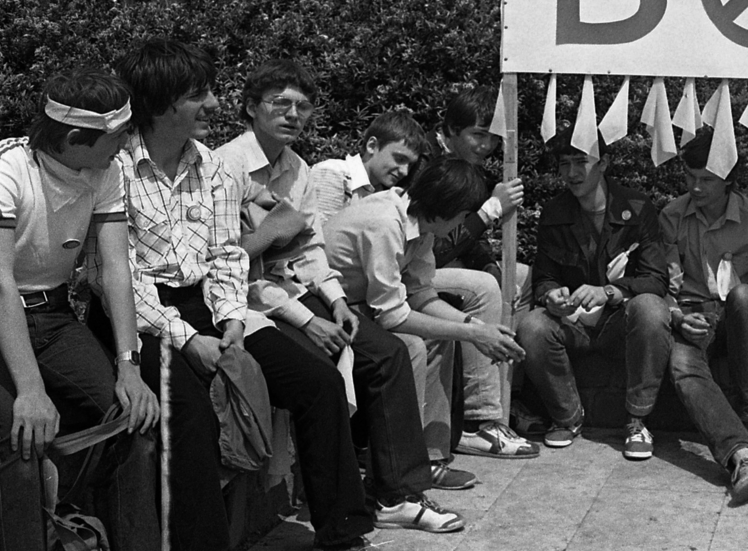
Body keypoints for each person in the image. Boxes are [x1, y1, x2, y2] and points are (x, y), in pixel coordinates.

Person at [113, 38, 371, 551]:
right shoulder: (115, 170)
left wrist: (230, 319)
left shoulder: (213, 168)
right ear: (162, 103)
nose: (213, 104)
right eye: (198, 95)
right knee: (191, 419)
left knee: (318, 383)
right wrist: (190, 339)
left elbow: (227, 255)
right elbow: (120, 273)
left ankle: (342, 530)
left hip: (215, 306)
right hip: (146, 316)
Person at [216, 61, 465, 533]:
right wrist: (308, 317)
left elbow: (310, 248)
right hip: (249, 302)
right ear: (251, 108)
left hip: (297, 292)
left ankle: (398, 492)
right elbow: (226, 265)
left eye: (303, 106)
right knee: (325, 373)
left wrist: (332, 302)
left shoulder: (297, 168)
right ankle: (342, 512)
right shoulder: (224, 167)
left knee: (387, 352)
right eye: (281, 104)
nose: (293, 115)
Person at [0, 72, 159, 551]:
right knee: (20, 441)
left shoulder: (105, 171)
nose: (129, 143)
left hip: (51, 315)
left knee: (135, 422)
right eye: (118, 136)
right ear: (74, 139)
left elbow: (115, 269)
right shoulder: (9, 170)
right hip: (2, 311)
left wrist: (129, 367)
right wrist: (29, 389)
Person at [322, 157, 527, 488]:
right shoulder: (387, 221)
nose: (464, 222)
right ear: (448, 208)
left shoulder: (422, 227)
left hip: (363, 309)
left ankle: (429, 458)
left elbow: (422, 296)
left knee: (438, 337)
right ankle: (397, 468)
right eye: (463, 215)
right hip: (331, 309)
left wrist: (477, 328)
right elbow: (392, 315)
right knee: (413, 346)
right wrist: (473, 332)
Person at [518, 129, 672, 460]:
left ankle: (638, 420)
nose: (571, 174)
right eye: (564, 164)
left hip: (620, 324)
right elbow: (543, 277)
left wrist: (610, 292)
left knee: (651, 308)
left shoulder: (637, 206)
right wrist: (551, 296)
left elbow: (656, 280)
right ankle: (567, 418)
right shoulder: (554, 212)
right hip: (573, 323)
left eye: (580, 163)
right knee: (532, 326)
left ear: (603, 163)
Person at [656, 130, 748, 504]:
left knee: (746, 296)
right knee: (682, 366)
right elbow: (664, 281)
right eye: (690, 177)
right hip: (693, 314)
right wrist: (677, 316)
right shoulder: (672, 216)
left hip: (738, 317)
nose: (695, 188)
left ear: (728, 179)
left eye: (706, 180)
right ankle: (742, 454)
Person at [427, 86, 537, 459]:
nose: (486, 145)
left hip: (437, 263)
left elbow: (467, 239)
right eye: (477, 134)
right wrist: (491, 210)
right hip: (409, 270)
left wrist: (491, 262)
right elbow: (437, 248)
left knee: (517, 277)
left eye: (492, 137)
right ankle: (479, 421)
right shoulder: (428, 164)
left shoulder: (469, 168)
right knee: (485, 286)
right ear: (451, 130)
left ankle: (506, 397)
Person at [308, 109, 429, 221]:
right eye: (400, 159)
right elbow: (322, 238)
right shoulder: (334, 174)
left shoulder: (385, 196)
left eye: (410, 165)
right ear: (372, 146)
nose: (405, 171)